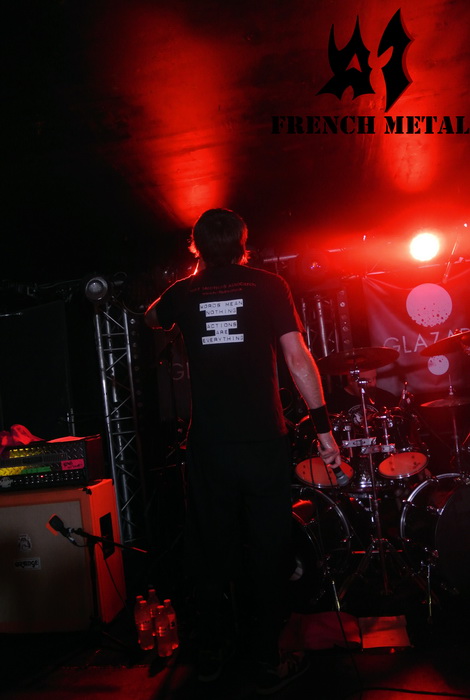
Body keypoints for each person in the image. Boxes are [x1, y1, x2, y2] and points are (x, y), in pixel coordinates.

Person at [145, 208, 341, 695]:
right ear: (243, 243)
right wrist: (323, 431)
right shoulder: (269, 285)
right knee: (269, 547)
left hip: (210, 445)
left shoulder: (184, 291)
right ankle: (267, 659)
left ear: (196, 246)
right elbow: (297, 357)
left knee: (211, 548)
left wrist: (198, 279)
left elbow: (151, 318)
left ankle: (212, 654)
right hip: (262, 440)